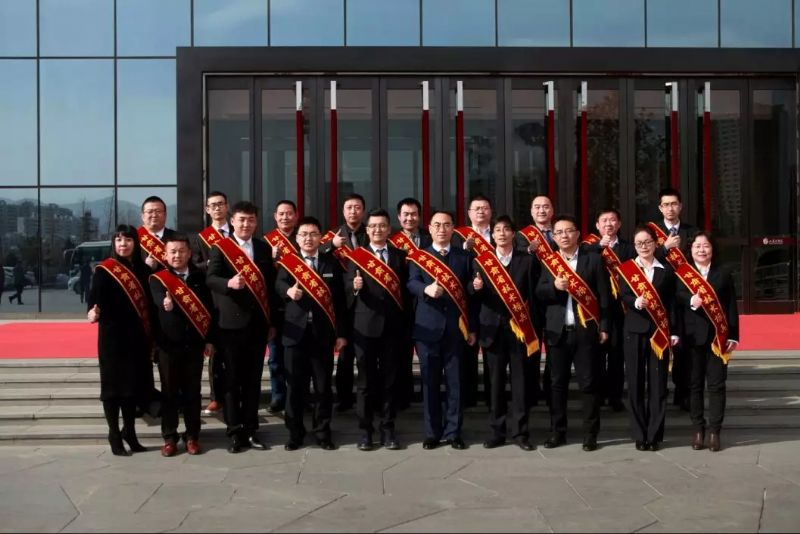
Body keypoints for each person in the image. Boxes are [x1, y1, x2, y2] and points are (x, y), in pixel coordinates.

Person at [206, 201, 278, 453]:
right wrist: (229, 283)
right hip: (229, 326)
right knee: (231, 380)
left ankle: (251, 429)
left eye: (251, 220)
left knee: (252, 381)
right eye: (241, 219)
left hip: (257, 325)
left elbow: (270, 287)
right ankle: (235, 432)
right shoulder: (221, 248)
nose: (246, 224)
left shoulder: (263, 248)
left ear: (256, 222)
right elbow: (211, 279)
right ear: (232, 221)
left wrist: (271, 322)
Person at [535, 215, 610, 452]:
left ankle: (590, 434)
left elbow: (604, 296)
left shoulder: (593, 260)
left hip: (586, 331)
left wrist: (604, 326)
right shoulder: (549, 262)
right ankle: (558, 432)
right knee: (557, 384)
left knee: (589, 383)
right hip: (558, 332)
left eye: (569, 231)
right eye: (559, 232)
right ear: (554, 237)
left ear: (578, 234)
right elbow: (539, 292)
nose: (564, 236)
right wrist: (554, 287)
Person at [276, 216, 348, 451]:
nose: (308, 238)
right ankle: (295, 433)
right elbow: (278, 285)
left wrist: (341, 333)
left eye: (313, 234)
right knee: (295, 388)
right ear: (297, 239)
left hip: (322, 335)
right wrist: (288, 291)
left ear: (320, 238)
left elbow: (340, 301)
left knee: (323, 387)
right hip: (294, 334)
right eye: (304, 234)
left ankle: (322, 432)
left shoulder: (330, 263)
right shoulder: (289, 262)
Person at [407, 210, 477, 450]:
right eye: (437, 225)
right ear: (429, 228)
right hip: (427, 329)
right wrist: (425, 290)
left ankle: (453, 432)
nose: (442, 229)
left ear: (453, 228)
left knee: (456, 383)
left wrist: (475, 286)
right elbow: (411, 282)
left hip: (456, 329)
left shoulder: (464, 256)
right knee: (430, 384)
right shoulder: (419, 256)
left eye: (446, 225)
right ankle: (432, 433)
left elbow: (469, 293)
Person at [87, 225, 155, 456]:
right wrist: (92, 312)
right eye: (118, 240)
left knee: (131, 389)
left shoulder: (144, 271)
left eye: (127, 239)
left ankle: (130, 433)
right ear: (113, 243)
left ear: (136, 243)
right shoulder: (105, 269)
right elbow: (94, 300)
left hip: (137, 338)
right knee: (112, 389)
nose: (123, 244)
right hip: (113, 338)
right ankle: (114, 434)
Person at [471, 216, 538, 451]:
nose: (501, 233)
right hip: (492, 330)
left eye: (506, 229)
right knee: (495, 384)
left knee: (520, 384)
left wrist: (533, 329)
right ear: (492, 235)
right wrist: (475, 288)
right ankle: (496, 432)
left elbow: (533, 296)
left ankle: (520, 432)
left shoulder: (526, 261)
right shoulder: (482, 262)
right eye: (497, 230)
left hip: (519, 330)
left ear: (513, 234)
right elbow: (473, 296)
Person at [345, 208, 408, 451]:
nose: (377, 230)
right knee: (365, 383)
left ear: (389, 229)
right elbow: (345, 292)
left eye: (382, 225)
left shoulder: (400, 256)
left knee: (390, 382)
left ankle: (388, 429)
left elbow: (406, 293)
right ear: (367, 229)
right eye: (373, 226)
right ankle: (366, 431)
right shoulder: (356, 256)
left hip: (393, 328)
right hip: (365, 328)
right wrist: (354, 287)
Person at [149, 234, 216, 457]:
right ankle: (169, 437)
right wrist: (165, 303)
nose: (177, 255)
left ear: (189, 254)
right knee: (169, 393)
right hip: (168, 346)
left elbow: (210, 310)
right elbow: (157, 302)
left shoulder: (200, 278)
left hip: (194, 345)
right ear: (165, 255)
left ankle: (192, 436)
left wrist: (209, 339)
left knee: (192, 393)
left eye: (181, 251)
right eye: (172, 252)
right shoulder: (158, 279)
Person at [617, 225, 680, 452]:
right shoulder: (626, 269)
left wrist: (674, 331)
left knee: (658, 384)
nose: (643, 246)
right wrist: (635, 302)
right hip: (634, 331)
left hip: (659, 331)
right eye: (639, 243)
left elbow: (672, 303)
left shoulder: (667, 270)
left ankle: (654, 435)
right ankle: (639, 434)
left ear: (656, 243)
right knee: (635, 384)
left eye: (647, 242)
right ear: (634, 246)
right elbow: (623, 294)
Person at [676, 232, 739, 452]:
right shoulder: (683, 274)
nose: (702, 250)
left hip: (717, 338)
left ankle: (714, 432)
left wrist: (733, 335)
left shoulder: (723, 273)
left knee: (717, 386)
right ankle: (698, 430)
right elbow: (677, 300)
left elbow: (731, 306)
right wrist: (690, 300)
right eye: (697, 246)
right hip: (692, 338)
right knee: (694, 386)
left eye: (706, 246)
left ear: (712, 249)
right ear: (690, 250)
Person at [582, 208, 636, 412]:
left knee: (616, 354)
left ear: (619, 224)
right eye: (604, 220)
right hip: (595, 307)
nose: (608, 224)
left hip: (620, 307)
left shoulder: (628, 248)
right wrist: (598, 247)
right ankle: (597, 394)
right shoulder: (587, 247)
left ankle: (615, 395)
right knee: (596, 353)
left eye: (613, 220)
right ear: (597, 225)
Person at [320, 193, 368, 411]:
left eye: (357, 207)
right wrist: (331, 244)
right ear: (343, 211)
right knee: (345, 353)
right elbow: (316, 253)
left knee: (366, 354)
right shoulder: (332, 236)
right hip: (341, 299)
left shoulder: (370, 232)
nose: (353, 211)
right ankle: (344, 397)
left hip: (366, 298)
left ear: (363, 211)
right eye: (349, 207)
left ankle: (368, 397)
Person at [652, 187, 697, 411]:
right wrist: (664, 248)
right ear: (660, 208)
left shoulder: (692, 232)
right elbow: (642, 258)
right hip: (659, 295)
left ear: (680, 207)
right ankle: (658, 392)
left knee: (684, 346)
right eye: (666, 204)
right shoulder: (651, 232)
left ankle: (683, 392)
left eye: (674, 204)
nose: (670, 208)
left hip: (685, 296)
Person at [451, 194, 494, 408]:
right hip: (467, 299)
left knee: (492, 352)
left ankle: (492, 399)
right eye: (476, 208)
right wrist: (465, 249)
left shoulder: (499, 234)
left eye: (484, 208)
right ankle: (468, 398)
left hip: (494, 300)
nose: (481, 211)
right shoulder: (457, 236)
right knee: (467, 351)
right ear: (469, 213)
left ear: (490, 212)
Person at [191, 191, 231, 417]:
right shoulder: (200, 238)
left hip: (235, 298)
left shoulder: (237, 231)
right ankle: (217, 397)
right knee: (215, 351)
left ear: (227, 207)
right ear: (207, 210)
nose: (217, 208)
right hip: (212, 299)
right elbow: (194, 266)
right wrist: (212, 264)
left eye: (220, 204)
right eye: (212, 205)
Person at [390, 197, 432, 410]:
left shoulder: (429, 238)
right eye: (405, 214)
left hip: (427, 303)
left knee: (428, 355)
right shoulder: (391, 241)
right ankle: (404, 397)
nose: (410, 218)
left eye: (413, 214)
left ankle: (428, 396)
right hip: (402, 304)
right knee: (402, 354)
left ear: (419, 216)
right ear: (399, 217)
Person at [515, 195, 556, 408]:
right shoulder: (521, 237)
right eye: (537, 207)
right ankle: (531, 391)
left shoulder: (561, 232)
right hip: (531, 299)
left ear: (552, 210)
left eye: (546, 207)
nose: (542, 210)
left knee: (555, 348)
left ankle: (551, 392)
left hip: (555, 298)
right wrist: (530, 250)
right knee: (531, 347)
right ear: (531, 212)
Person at [263, 200, 300, 415]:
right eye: (281, 214)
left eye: (289, 213)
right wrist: (270, 261)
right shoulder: (266, 242)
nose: (285, 217)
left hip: (299, 305)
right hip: (276, 305)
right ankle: (278, 395)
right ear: (275, 217)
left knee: (298, 356)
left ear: (296, 216)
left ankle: (299, 396)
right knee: (275, 356)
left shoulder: (303, 238)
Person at [138, 196, 177, 272]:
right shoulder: (134, 238)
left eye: (158, 211)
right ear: (142, 216)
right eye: (150, 212)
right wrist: (145, 267)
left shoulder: (177, 237)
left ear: (165, 215)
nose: (154, 215)